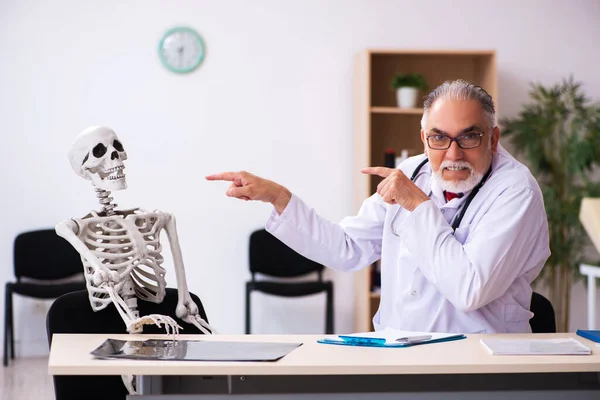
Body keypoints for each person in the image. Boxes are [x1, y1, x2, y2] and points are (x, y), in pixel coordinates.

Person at [206, 80, 550, 334]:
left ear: (492, 138)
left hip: (480, 361)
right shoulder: (414, 171)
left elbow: (469, 289)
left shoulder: (515, 191)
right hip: (401, 348)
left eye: (470, 137)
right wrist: (279, 198)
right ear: (424, 138)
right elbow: (347, 249)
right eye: (439, 137)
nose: (453, 153)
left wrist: (418, 205)